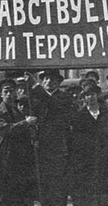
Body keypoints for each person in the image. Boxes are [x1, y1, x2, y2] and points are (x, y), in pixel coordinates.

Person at [0, 78, 38, 206]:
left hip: (19, 155)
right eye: (6, 91)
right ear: (1, 94)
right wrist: (26, 123)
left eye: (11, 91)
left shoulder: (19, 110)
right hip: (3, 156)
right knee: (3, 193)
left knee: (19, 192)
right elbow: (6, 130)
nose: (9, 94)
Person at [29, 69, 74, 206]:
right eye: (45, 79)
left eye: (52, 79)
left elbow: (55, 105)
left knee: (58, 184)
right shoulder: (35, 98)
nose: (48, 82)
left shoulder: (64, 98)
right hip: (40, 146)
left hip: (59, 147)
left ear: (58, 82)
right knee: (43, 185)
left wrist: (36, 88)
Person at [68, 83, 106, 206]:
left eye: (93, 94)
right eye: (87, 95)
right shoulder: (79, 116)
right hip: (85, 161)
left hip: (104, 159)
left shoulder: (106, 113)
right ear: (84, 98)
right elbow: (75, 141)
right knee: (85, 193)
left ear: (97, 95)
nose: (91, 97)